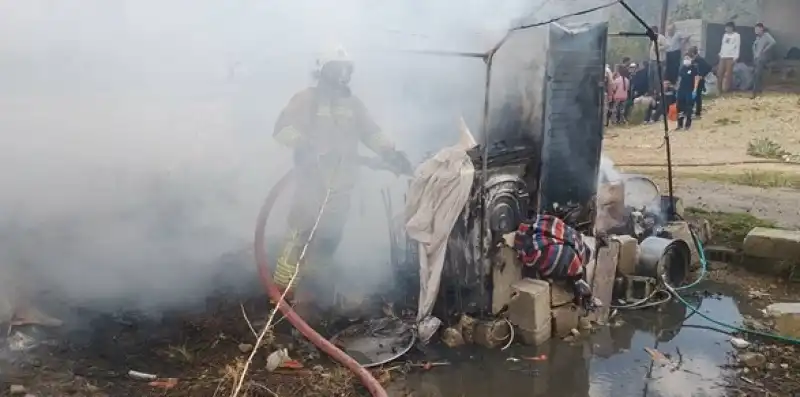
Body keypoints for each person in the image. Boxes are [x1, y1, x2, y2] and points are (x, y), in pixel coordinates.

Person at [271, 45, 412, 319]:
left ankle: (313, 290)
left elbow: (372, 133)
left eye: (347, 69)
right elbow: (281, 130)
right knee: (299, 235)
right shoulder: (306, 99)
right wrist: (304, 146)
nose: (343, 75)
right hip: (312, 182)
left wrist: (391, 154)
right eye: (337, 68)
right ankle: (283, 292)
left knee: (329, 238)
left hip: (342, 186)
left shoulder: (353, 105)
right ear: (323, 70)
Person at [752, 22, 777, 99]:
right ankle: (758, 90)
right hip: (756, 57)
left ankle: (755, 92)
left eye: (757, 29)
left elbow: (773, 42)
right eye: (755, 29)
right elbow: (755, 47)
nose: (756, 31)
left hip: (762, 58)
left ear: (761, 29)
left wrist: (765, 50)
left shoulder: (766, 35)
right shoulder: (757, 38)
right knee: (757, 74)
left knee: (757, 74)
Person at [676, 54, 700, 130]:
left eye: (687, 58)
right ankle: (680, 124)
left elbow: (696, 79)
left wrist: (695, 90)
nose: (686, 60)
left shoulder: (694, 68)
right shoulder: (682, 68)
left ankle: (687, 125)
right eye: (685, 58)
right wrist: (677, 89)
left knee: (689, 107)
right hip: (681, 90)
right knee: (679, 108)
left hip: (689, 90)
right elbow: (679, 79)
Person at [688, 46, 711, 118]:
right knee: (693, 96)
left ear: (692, 53)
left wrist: (702, 75)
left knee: (698, 96)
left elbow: (708, 67)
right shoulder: (693, 60)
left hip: (699, 81)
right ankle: (693, 110)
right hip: (693, 80)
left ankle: (698, 112)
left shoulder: (699, 59)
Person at [718, 21, 740, 93]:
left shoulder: (736, 35)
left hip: (730, 57)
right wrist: (720, 53)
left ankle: (726, 89)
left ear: (732, 28)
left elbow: (737, 47)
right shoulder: (725, 35)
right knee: (720, 72)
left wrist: (735, 57)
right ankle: (719, 89)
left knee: (728, 74)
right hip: (723, 56)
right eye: (726, 27)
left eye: (728, 27)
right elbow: (723, 45)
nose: (726, 29)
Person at [648, 25, 669, 95]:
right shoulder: (652, 38)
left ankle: (658, 92)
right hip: (652, 59)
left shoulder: (661, 37)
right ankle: (651, 91)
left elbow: (666, 45)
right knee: (650, 76)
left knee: (657, 77)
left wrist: (658, 48)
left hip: (659, 60)